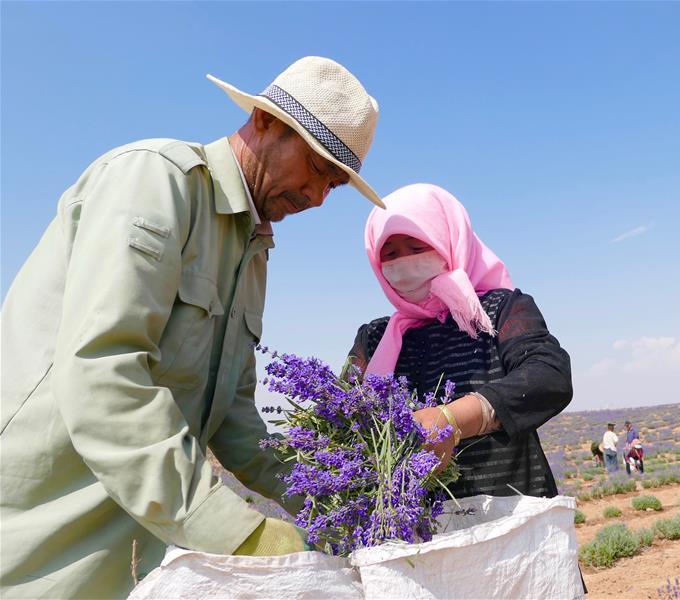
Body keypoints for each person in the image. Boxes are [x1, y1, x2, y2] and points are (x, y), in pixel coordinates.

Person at [0, 57, 382, 598]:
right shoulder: (156, 181)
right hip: (39, 527)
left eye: (335, 185)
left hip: (130, 544)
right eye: (317, 168)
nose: (319, 196)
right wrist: (245, 537)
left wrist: (331, 496)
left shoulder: (253, 252)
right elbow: (103, 374)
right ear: (266, 122)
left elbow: (233, 419)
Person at [346, 184, 573, 498]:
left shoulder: (499, 309)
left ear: (450, 241)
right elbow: (344, 410)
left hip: (511, 512)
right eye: (391, 254)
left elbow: (548, 375)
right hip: (416, 524)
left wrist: (452, 420)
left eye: (417, 247)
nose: (406, 263)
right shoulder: (374, 338)